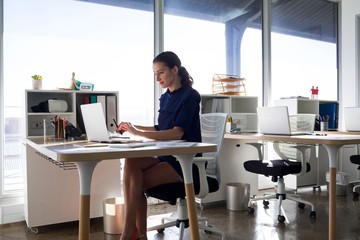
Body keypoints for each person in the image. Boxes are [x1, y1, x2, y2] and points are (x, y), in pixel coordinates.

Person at [117, 51, 202, 240]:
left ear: (174, 70)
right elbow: (160, 128)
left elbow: (177, 133)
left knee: (134, 183)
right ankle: (136, 233)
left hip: (185, 163)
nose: (157, 78)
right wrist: (133, 127)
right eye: (155, 74)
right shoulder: (165, 97)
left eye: (160, 73)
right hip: (166, 157)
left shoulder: (190, 96)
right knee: (131, 162)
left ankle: (130, 232)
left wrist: (139, 134)